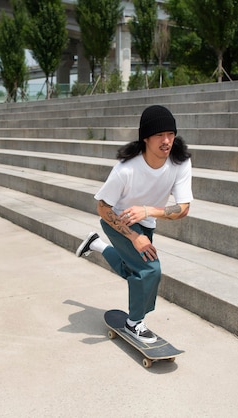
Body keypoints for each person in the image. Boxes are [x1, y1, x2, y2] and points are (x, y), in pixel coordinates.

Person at [75, 105, 193, 344]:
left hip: (146, 220)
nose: (167, 140)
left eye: (171, 134)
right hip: (117, 220)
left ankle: (95, 244)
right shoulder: (125, 170)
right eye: (160, 135)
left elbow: (183, 208)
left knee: (133, 270)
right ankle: (134, 323)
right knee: (150, 269)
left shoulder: (180, 163)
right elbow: (102, 207)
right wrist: (134, 237)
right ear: (146, 138)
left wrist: (148, 211)